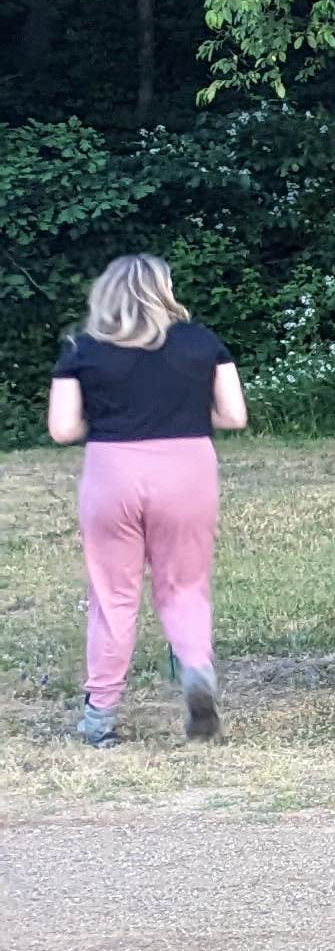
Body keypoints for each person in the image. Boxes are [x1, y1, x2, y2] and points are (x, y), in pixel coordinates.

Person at [46, 254, 244, 746]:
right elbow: (234, 416)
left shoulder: (82, 348)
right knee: (184, 586)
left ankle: (99, 717)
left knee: (113, 596)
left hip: (112, 470)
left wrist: (114, 421)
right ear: (164, 289)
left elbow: (62, 429)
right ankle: (197, 675)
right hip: (187, 467)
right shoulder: (201, 342)